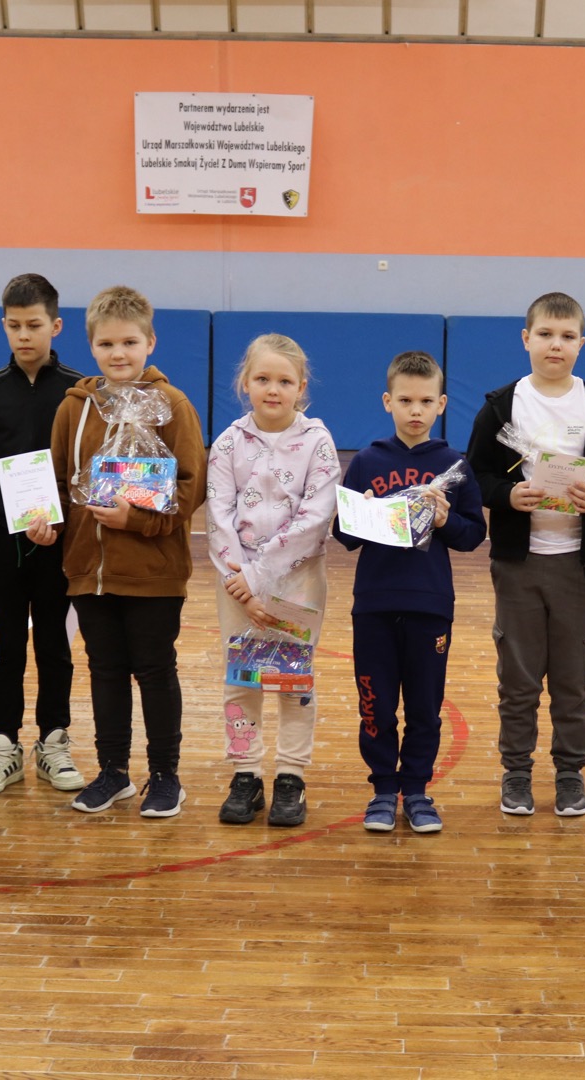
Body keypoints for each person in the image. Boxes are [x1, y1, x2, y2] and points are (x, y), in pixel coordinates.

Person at [30, 286, 205, 817]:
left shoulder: (173, 405)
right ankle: (113, 771)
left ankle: (166, 776)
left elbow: (190, 489)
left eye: (129, 342)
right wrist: (45, 523)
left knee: (154, 670)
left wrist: (139, 520)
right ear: (91, 346)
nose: (118, 353)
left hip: (154, 572)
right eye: (106, 344)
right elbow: (58, 482)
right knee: (104, 671)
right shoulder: (74, 408)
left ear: (150, 342)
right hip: (89, 571)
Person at [465, 292, 585, 817]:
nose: (555, 345)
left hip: (577, 563)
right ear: (526, 339)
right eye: (545, 335)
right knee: (517, 679)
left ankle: (569, 773)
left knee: (573, 679)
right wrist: (505, 495)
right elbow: (476, 474)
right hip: (518, 563)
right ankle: (516, 772)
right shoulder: (501, 405)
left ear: (582, 343)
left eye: (566, 336)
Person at [333, 351, 486, 834]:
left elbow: (472, 535)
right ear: (388, 402)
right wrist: (363, 514)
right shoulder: (367, 461)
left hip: (429, 605)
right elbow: (344, 536)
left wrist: (443, 519)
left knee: (424, 707)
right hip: (374, 605)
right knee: (376, 706)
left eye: (424, 401)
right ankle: (383, 789)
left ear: (441, 403)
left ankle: (417, 790)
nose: (415, 410)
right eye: (405, 401)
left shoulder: (453, 465)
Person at [207, 333, 340, 827]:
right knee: (241, 681)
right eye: (262, 378)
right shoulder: (228, 442)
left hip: (298, 582)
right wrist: (241, 582)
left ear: (301, 388)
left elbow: (316, 517)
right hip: (236, 585)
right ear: (245, 383)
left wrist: (261, 577)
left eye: (284, 381)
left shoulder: (318, 442)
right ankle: (245, 773)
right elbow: (218, 516)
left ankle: (290, 776)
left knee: (292, 681)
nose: (273, 389)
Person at [0, 274, 87, 797]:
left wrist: (65, 526)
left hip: (58, 541)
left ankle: (54, 740)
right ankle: (4, 743)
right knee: (4, 645)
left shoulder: (78, 390)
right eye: (14, 326)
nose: (24, 335)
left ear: (55, 326)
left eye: (34, 325)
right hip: (0, 541)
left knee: (55, 644)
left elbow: (82, 466)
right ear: (4, 326)